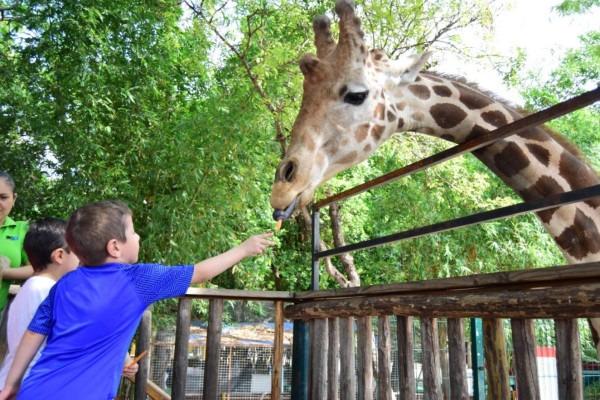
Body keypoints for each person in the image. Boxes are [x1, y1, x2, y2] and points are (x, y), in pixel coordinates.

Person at [0, 200, 273, 399]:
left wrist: (11, 384)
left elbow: (34, 333)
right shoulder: (138, 280)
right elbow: (199, 272)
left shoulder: (65, 284)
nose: (138, 236)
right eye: (132, 232)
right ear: (115, 247)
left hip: (36, 390)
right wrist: (244, 248)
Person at [0, 218, 80, 387]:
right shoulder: (46, 290)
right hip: (30, 384)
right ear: (59, 255)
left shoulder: (32, 287)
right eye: (76, 251)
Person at [0, 171, 33, 312]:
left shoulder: (22, 230)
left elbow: (36, 268)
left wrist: (4, 272)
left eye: (3, 197)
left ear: (14, 199)